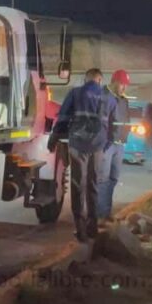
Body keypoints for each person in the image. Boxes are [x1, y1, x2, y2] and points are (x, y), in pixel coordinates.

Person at [48, 68, 117, 242]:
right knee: (93, 183)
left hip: (78, 144)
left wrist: (55, 137)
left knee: (78, 184)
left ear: (86, 79)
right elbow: (114, 126)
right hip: (97, 146)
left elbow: (63, 117)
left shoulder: (76, 93)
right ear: (100, 80)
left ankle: (80, 229)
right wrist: (106, 144)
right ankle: (92, 226)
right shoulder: (108, 98)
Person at [98, 69, 131, 221]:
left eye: (126, 85)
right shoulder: (103, 97)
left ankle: (106, 211)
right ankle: (99, 215)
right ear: (114, 82)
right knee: (102, 180)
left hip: (119, 145)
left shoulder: (123, 100)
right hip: (107, 145)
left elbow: (125, 120)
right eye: (122, 84)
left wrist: (124, 136)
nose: (124, 88)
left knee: (113, 179)